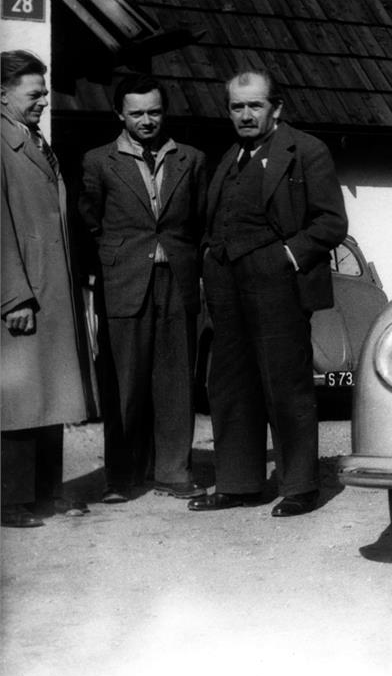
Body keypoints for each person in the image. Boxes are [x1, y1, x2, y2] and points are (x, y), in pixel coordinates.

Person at [187, 70, 346, 517]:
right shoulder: (231, 157)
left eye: (254, 105)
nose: (245, 114)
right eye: (237, 107)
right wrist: (208, 258)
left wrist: (285, 258)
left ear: (276, 108)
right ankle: (239, 483)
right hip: (226, 282)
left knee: (285, 384)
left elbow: (331, 223)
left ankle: (300, 486)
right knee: (230, 383)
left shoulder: (306, 151)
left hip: (278, 281)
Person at [79, 74, 207, 503]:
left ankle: (173, 470)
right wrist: (114, 259)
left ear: (164, 112)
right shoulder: (99, 161)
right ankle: (122, 475)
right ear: (120, 114)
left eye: (154, 111)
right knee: (125, 382)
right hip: (124, 280)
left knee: (175, 381)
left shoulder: (191, 158)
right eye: (136, 113)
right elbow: (88, 222)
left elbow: (199, 221)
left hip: (177, 279)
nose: (146, 120)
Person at [1, 50, 95, 528]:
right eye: (33, 92)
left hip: (51, 286)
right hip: (22, 292)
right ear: (2, 92)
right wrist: (12, 295)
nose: (43, 100)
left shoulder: (32, 138)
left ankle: (45, 492)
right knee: (19, 398)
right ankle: (11, 500)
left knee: (51, 392)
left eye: (43, 91)